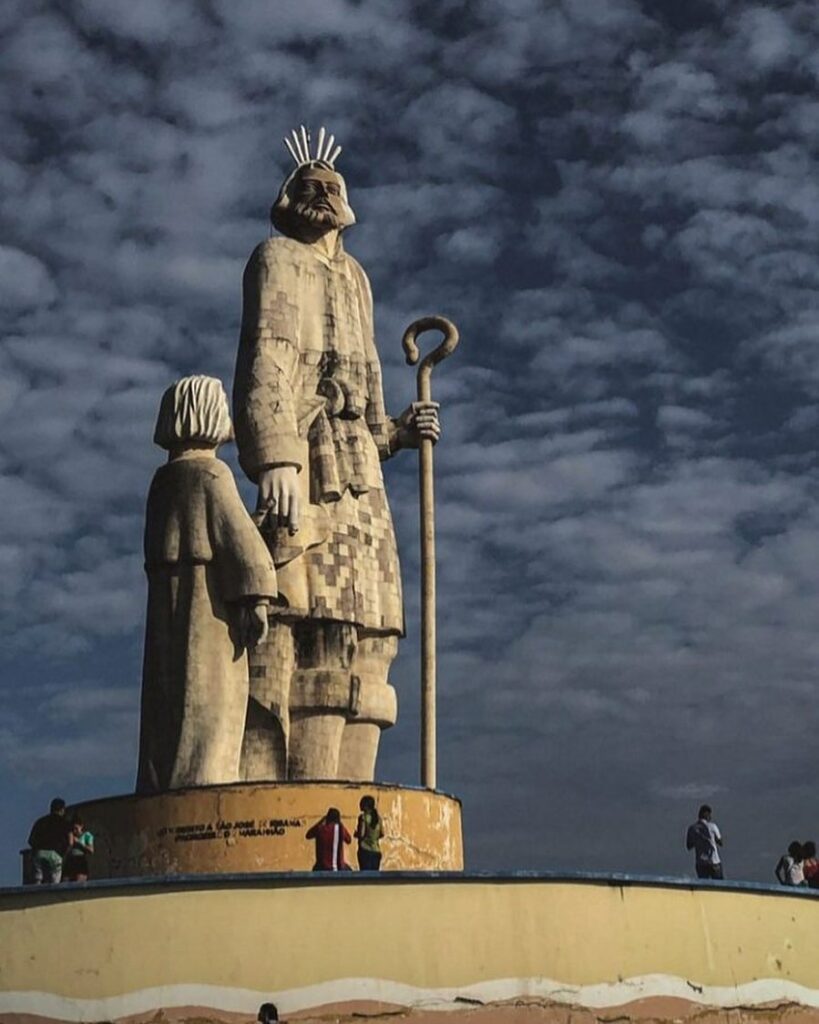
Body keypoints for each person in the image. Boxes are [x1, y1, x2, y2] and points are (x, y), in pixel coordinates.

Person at [233, 126, 441, 783]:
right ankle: (307, 794)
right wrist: (276, 459)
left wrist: (397, 432)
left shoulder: (355, 277)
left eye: (332, 188)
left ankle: (356, 802)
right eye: (308, 187)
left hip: (360, 473)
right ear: (287, 199)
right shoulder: (276, 260)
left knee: (372, 632)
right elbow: (267, 358)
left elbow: (367, 392)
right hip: (308, 458)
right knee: (315, 621)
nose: (321, 196)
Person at [136, 376, 278, 793]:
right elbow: (237, 542)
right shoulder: (212, 474)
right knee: (212, 708)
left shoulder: (161, 484)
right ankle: (204, 784)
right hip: (209, 616)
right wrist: (258, 598)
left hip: (170, 609)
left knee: (169, 707)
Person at [27, 798, 72, 884]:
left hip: (39, 853)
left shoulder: (40, 822)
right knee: (55, 881)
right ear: (62, 810)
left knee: (38, 879)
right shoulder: (65, 823)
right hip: (55, 854)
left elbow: (31, 841)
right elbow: (71, 842)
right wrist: (64, 855)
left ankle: (37, 890)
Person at [686, 804, 724, 879]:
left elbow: (689, 846)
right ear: (706, 814)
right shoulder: (712, 826)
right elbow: (720, 842)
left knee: (703, 885)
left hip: (701, 863)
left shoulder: (692, 828)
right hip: (714, 861)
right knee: (719, 886)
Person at [355, 794, 384, 871]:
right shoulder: (378, 818)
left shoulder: (363, 817)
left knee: (365, 877)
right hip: (376, 851)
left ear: (365, 806)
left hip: (365, 850)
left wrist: (356, 834)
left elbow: (362, 834)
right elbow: (382, 833)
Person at [62, 816, 94, 882]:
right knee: (66, 881)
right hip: (70, 861)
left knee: (79, 882)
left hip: (80, 860)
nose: (75, 831)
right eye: (73, 829)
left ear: (81, 826)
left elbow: (91, 850)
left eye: (76, 828)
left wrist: (79, 843)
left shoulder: (87, 835)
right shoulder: (70, 836)